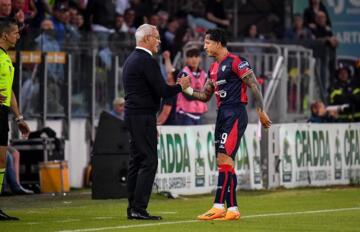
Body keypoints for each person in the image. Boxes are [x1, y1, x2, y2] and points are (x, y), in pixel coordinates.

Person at [182, 28, 271, 220]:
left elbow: (253, 85)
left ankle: (217, 205)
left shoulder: (237, 62)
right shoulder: (213, 68)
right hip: (222, 114)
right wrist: (187, 89)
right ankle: (233, 209)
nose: (204, 46)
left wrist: (261, 111)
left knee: (223, 159)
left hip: (236, 113)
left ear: (219, 43)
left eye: (207, 42)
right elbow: (205, 96)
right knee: (225, 162)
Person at [122, 23, 190, 220]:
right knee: (149, 161)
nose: (159, 41)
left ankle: (132, 208)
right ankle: (139, 208)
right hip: (142, 116)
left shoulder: (131, 59)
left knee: (136, 160)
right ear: (146, 39)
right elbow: (162, 90)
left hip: (135, 115)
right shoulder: (146, 60)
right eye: (156, 37)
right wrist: (180, 86)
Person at [0, 18, 30, 221]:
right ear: (4, 35)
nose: (18, 36)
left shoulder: (6, 58)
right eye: (15, 32)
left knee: (2, 159)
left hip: (2, 113)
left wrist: (19, 117)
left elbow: (8, 91)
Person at [176, 48, 208, 125]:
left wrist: (196, 92)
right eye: (190, 57)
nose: (194, 59)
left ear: (200, 59)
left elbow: (206, 95)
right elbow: (187, 95)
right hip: (185, 113)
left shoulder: (205, 75)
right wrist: (201, 93)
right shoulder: (183, 74)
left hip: (199, 114)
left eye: (196, 56)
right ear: (186, 59)